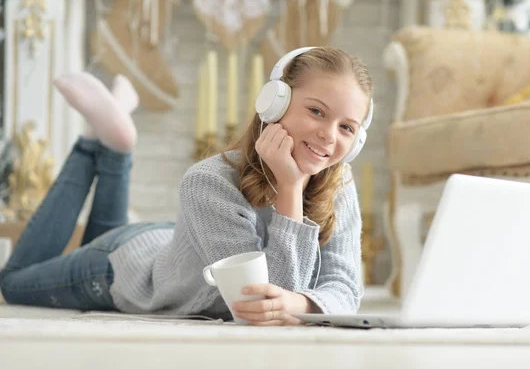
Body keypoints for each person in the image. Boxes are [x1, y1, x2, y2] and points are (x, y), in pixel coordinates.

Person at [0, 46, 373, 326]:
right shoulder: (208, 181)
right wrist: (290, 189)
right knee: (13, 284)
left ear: (357, 141)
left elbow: (343, 289)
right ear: (274, 104)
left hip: (176, 249)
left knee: (101, 235)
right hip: (119, 269)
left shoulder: (339, 183)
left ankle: (112, 142)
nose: (328, 136)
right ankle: (94, 145)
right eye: (317, 111)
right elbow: (260, 301)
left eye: (347, 127)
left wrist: (296, 304)